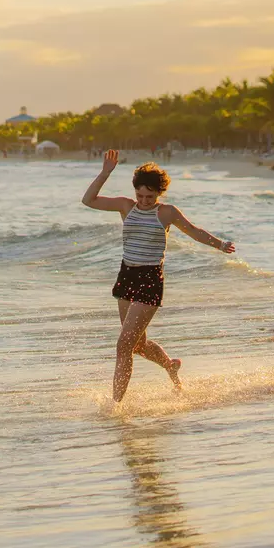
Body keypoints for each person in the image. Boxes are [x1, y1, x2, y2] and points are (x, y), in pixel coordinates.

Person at [82, 149, 235, 402]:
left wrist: (219, 244)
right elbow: (88, 200)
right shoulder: (125, 206)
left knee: (123, 346)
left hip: (149, 280)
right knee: (137, 345)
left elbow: (194, 231)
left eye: (149, 196)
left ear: (159, 193)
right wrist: (105, 172)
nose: (143, 200)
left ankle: (116, 407)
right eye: (139, 195)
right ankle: (170, 365)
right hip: (126, 276)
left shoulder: (166, 213)